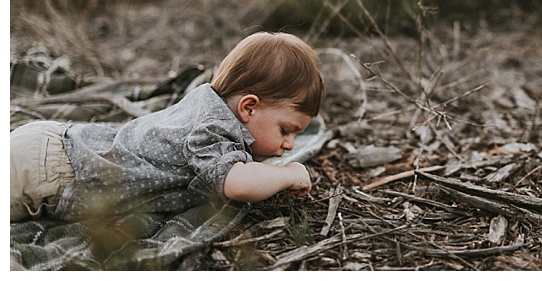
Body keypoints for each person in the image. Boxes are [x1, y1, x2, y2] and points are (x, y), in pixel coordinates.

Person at [11, 32, 326, 222]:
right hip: (54, 168)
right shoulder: (213, 128)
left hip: (56, 155)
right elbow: (237, 183)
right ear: (248, 107)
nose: (289, 145)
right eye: (286, 130)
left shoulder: (208, 106)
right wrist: (288, 173)